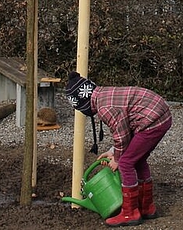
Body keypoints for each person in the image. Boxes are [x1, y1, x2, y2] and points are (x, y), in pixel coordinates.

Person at [66, 72, 172, 227]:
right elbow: (125, 129)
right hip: (159, 116)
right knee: (138, 159)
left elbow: (122, 136)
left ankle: (130, 213)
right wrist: (112, 151)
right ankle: (147, 207)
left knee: (126, 163)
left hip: (152, 121)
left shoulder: (105, 108)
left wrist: (117, 159)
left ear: (83, 102)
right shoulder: (103, 94)